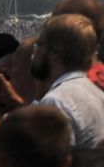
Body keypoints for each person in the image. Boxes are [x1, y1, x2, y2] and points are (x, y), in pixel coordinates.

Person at [35, 13, 104, 150]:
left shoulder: (56, 102)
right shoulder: (97, 93)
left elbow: (54, 165)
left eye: (39, 44)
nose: (34, 52)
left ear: (55, 53)